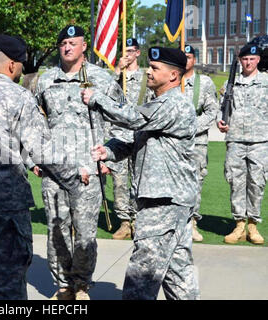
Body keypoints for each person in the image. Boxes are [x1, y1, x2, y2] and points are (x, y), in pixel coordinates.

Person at [0, 34, 79, 300]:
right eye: (21, 64)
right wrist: (75, 177)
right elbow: (43, 151)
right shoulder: (19, 97)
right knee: (8, 284)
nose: (22, 69)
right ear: (11, 65)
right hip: (6, 206)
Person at [83, 47, 200, 300]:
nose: (149, 70)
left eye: (156, 68)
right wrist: (109, 151)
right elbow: (134, 138)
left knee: (141, 277)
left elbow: (134, 119)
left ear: (173, 75)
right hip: (170, 201)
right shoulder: (158, 105)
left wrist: (97, 98)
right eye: (150, 65)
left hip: (163, 202)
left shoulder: (174, 103)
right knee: (177, 276)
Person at [34, 25, 124, 300]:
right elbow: (35, 121)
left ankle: (82, 284)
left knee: (85, 234)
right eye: (63, 43)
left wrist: (111, 157)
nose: (67, 47)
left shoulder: (103, 80)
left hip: (89, 170)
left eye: (73, 42)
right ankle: (63, 286)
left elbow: (121, 122)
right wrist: (36, 157)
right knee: (57, 231)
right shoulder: (46, 80)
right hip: (55, 172)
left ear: (85, 46)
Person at [217, 44, 268, 245]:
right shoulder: (231, 84)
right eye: (244, 59)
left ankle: (253, 225)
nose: (248, 62)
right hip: (235, 140)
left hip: (260, 141)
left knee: (257, 182)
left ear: (258, 60)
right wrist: (219, 121)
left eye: (252, 59)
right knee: (236, 182)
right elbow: (220, 108)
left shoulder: (266, 82)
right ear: (240, 61)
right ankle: (239, 224)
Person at [109, 38, 153, 240]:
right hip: (118, 135)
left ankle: (138, 220)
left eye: (130, 51)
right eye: (123, 51)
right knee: (119, 182)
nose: (126, 55)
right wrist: (118, 71)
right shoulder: (117, 77)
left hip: (140, 136)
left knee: (139, 180)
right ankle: (124, 221)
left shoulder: (147, 77)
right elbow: (106, 96)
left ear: (137, 53)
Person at [183, 44, 220, 242]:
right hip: (173, 143)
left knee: (195, 183)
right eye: (182, 57)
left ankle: (192, 223)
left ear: (194, 60)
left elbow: (212, 111)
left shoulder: (203, 82)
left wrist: (191, 127)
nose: (185, 60)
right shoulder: (171, 80)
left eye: (189, 57)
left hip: (196, 142)